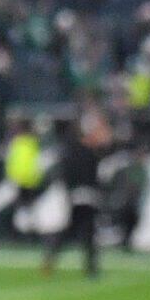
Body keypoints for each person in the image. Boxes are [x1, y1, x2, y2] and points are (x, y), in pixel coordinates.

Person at [41, 114, 109, 279]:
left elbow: (66, 175)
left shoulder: (70, 152)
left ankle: (51, 258)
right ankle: (91, 269)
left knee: (70, 232)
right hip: (88, 197)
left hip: (76, 197)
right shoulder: (91, 153)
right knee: (87, 235)